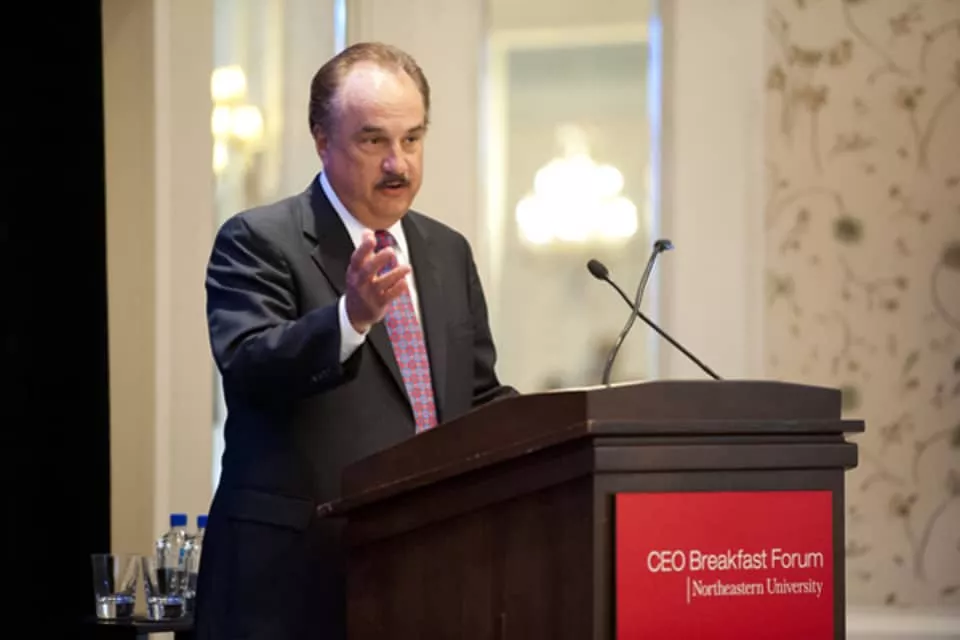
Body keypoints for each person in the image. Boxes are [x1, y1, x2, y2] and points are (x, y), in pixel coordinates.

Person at [194, 42, 515, 640]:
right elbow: (250, 364)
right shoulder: (258, 239)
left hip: (427, 568)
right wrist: (350, 319)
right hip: (291, 584)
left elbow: (475, 398)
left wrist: (572, 416)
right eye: (374, 141)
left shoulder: (447, 251)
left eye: (412, 139)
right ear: (322, 141)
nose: (399, 163)